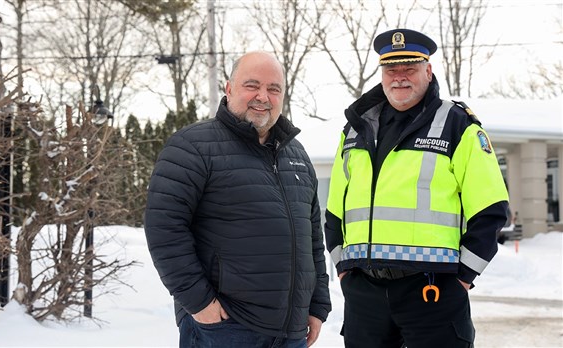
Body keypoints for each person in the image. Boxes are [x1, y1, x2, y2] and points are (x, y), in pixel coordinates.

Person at [324, 29, 510, 348]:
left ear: (428, 70)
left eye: (409, 68)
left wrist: (463, 277)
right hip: (364, 295)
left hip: (433, 291)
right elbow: (334, 212)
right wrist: (344, 270)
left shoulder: (457, 125)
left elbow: (491, 210)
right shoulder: (354, 129)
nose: (399, 77)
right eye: (391, 69)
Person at [144, 51, 331, 348]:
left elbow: (311, 239)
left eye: (273, 88)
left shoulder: (296, 155)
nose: (263, 96)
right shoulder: (192, 146)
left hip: (292, 332)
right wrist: (199, 302)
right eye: (252, 85)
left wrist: (318, 304)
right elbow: (163, 228)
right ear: (229, 88)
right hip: (226, 329)